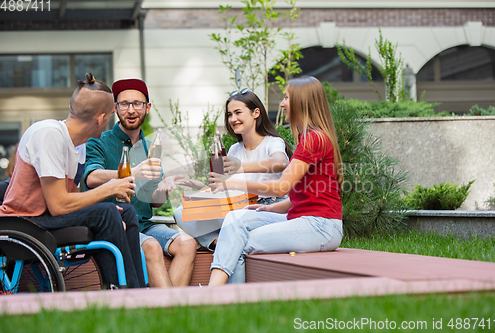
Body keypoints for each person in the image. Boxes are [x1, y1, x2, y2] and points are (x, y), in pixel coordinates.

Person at [0, 73, 145, 289]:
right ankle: (121, 293)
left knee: (125, 211)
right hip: (24, 220)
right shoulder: (48, 135)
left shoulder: (79, 147)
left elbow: (70, 199)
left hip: (47, 215)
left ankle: (138, 291)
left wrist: (110, 200)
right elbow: (58, 205)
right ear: (101, 118)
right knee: (106, 212)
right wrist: (109, 188)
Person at [208, 76, 344, 285]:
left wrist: (232, 182)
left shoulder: (313, 139)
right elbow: (307, 192)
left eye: (286, 98)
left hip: (321, 226)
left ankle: (224, 299)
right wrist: (272, 209)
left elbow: (282, 187)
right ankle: (216, 293)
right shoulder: (308, 138)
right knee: (237, 219)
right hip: (303, 219)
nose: (282, 103)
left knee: (238, 243)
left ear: (302, 101)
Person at [84, 78, 197, 288]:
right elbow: (92, 177)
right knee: (151, 246)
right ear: (115, 108)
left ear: (147, 107)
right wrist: (131, 172)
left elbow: (153, 202)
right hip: (117, 226)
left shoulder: (151, 147)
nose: (131, 110)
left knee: (187, 243)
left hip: (145, 225)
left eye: (137, 103)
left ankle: (163, 309)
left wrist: (163, 188)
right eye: (124, 104)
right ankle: (171, 313)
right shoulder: (98, 142)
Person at [174, 88, 292, 257]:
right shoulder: (234, 149)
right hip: (237, 206)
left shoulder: (272, 143)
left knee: (230, 219)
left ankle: (228, 241)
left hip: (264, 206)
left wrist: (241, 166)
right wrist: (203, 188)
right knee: (181, 212)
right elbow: (227, 187)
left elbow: (280, 163)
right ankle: (217, 242)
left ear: (255, 113)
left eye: (238, 113)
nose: (233, 119)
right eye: (230, 115)